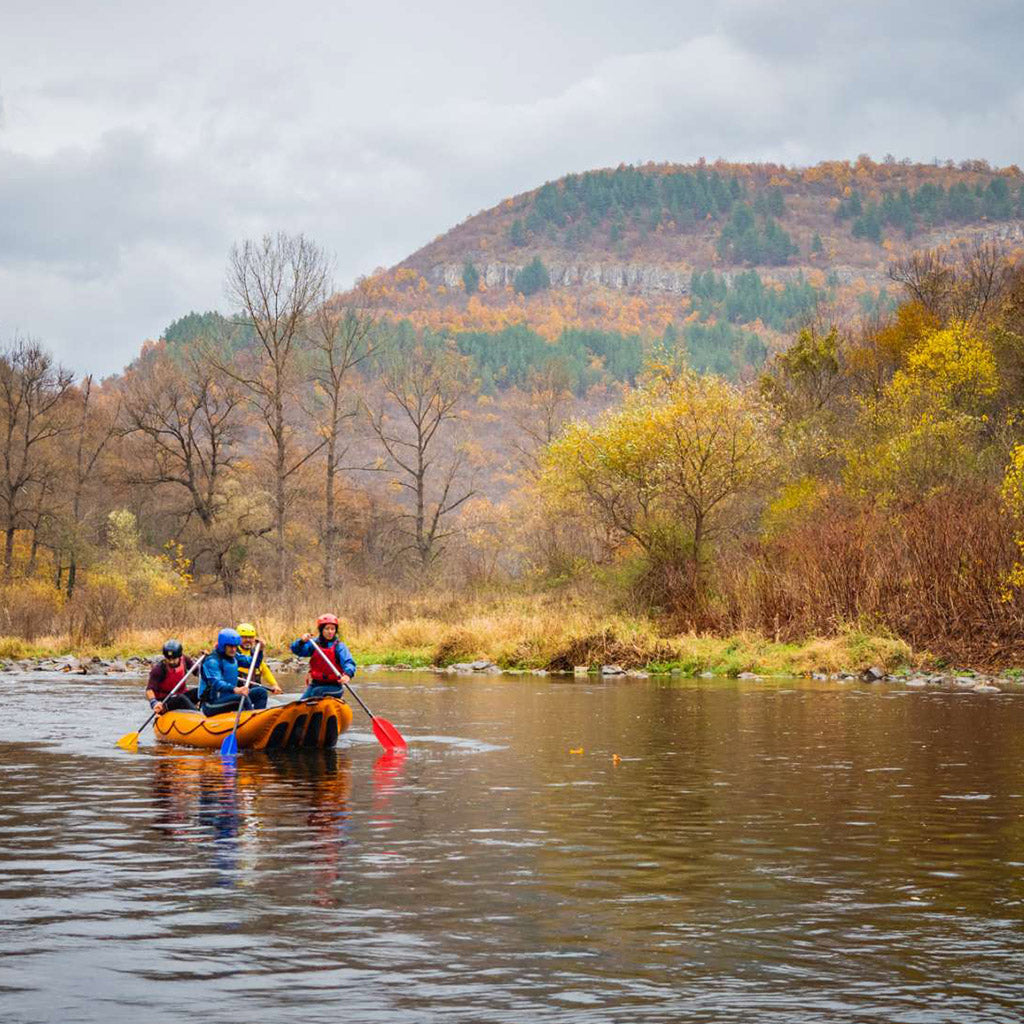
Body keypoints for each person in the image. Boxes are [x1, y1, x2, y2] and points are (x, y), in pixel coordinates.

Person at [198, 628, 270, 716]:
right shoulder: (212, 661)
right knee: (241, 698)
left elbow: (253, 663)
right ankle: (252, 719)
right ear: (222, 646)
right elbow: (217, 683)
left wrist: (260, 651)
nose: (233, 649)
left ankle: (258, 717)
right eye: (230, 646)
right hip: (212, 704)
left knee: (261, 692)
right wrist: (236, 689)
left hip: (229, 698)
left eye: (235, 646)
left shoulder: (234, 656)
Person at [290, 614, 357, 700]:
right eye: (327, 628)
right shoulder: (314, 644)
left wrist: (348, 675)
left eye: (332, 629)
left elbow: (349, 662)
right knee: (299, 705)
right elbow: (298, 651)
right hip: (315, 684)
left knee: (317, 692)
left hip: (334, 686)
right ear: (321, 630)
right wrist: (301, 641)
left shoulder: (339, 646)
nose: (330, 632)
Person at [145, 639, 199, 715]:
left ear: (179, 656)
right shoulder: (159, 669)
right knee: (180, 698)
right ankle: (198, 715)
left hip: (182, 695)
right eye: (168, 659)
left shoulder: (184, 660)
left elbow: (197, 671)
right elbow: (149, 690)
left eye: (174, 659)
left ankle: (206, 711)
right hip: (165, 701)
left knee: (200, 691)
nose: (171, 662)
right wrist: (154, 703)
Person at [237, 622, 283, 696]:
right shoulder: (233, 653)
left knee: (261, 692)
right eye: (244, 637)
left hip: (253, 692)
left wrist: (274, 685)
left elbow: (265, 670)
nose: (248, 640)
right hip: (238, 692)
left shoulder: (255, 654)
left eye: (251, 637)